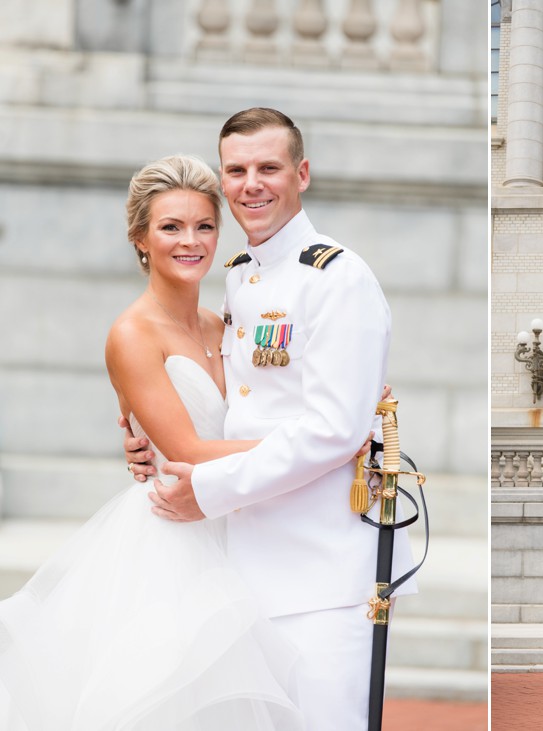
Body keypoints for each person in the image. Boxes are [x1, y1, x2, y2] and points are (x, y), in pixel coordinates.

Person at [126, 107, 416, 730]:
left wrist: (207, 488)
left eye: (268, 168)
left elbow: (335, 432)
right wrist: (151, 440)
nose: (250, 184)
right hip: (240, 567)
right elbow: (234, 406)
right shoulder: (237, 280)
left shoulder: (338, 279)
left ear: (301, 173)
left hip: (320, 576)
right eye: (236, 170)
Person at [0, 155, 307, 729]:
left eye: (204, 226)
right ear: (140, 237)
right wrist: (316, 440)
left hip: (240, 527)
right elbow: (187, 451)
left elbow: (271, 399)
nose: (190, 241)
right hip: (171, 542)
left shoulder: (227, 324)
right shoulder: (131, 333)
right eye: (171, 227)